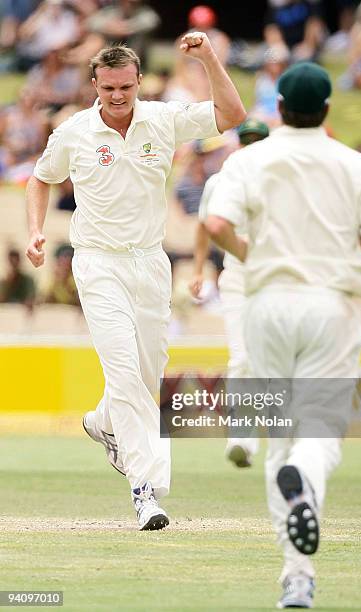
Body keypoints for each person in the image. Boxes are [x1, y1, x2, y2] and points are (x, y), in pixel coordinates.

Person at [25, 37, 246, 531]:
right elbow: (40, 178)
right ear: (94, 85)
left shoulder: (163, 119)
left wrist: (208, 57)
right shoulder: (74, 132)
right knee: (125, 374)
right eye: (108, 88)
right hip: (97, 264)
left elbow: (231, 114)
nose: (118, 96)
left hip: (150, 264)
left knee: (147, 378)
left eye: (126, 87)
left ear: (139, 82)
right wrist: (37, 230)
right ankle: (145, 492)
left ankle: (102, 423)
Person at [205, 62, 361, 608]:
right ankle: (303, 489)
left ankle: (296, 576)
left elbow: (216, 225)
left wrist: (257, 257)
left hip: (265, 305)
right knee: (321, 431)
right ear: (328, 111)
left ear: (281, 110)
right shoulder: (352, 163)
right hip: (328, 306)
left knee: (278, 440)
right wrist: (338, 261)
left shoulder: (249, 159)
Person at [189, 118, 270, 469]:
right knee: (241, 358)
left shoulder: (284, 180)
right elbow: (206, 225)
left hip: (280, 279)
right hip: (238, 276)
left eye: (258, 141)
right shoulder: (221, 181)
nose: (251, 147)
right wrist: (197, 269)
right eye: (247, 140)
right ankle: (242, 437)